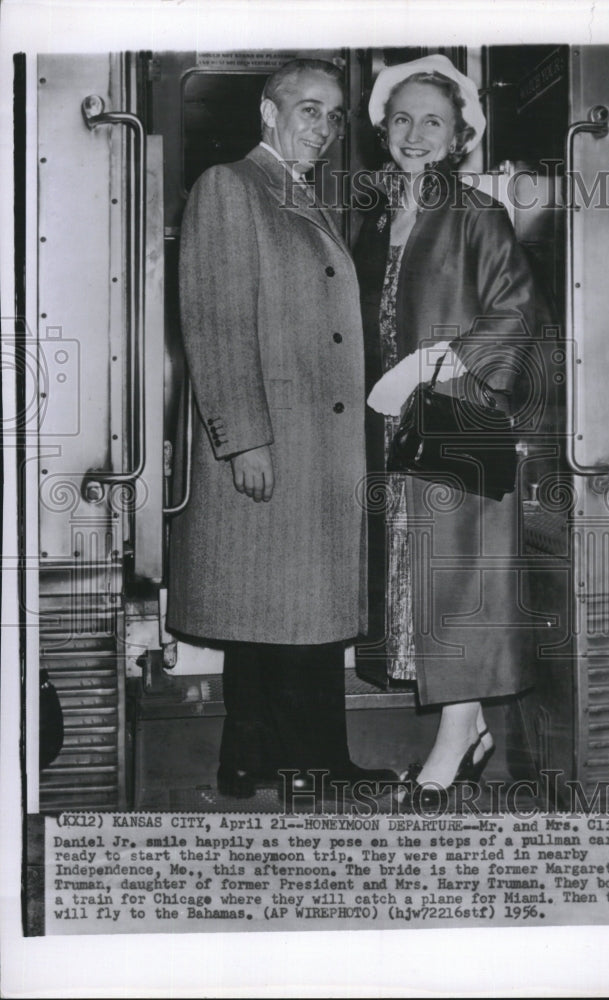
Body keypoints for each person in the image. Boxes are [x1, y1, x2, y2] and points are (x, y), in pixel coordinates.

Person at [166, 58, 396, 801]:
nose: (324, 128)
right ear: (269, 113)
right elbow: (217, 321)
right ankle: (324, 772)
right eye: (309, 110)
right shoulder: (233, 186)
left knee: (266, 605)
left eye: (333, 115)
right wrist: (245, 439)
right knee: (302, 615)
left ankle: (250, 758)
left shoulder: (294, 193)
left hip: (305, 440)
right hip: (275, 438)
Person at [354, 55, 537, 810]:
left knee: (459, 586)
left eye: (433, 120)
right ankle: (472, 728)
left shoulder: (477, 215)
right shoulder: (372, 219)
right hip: (395, 437)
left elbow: (517, 312)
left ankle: (453, 743)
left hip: (460, 421)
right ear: (382, 131)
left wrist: (436, 365)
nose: (414, 133)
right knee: (417, 585)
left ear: (460, 136)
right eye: (401, 118)